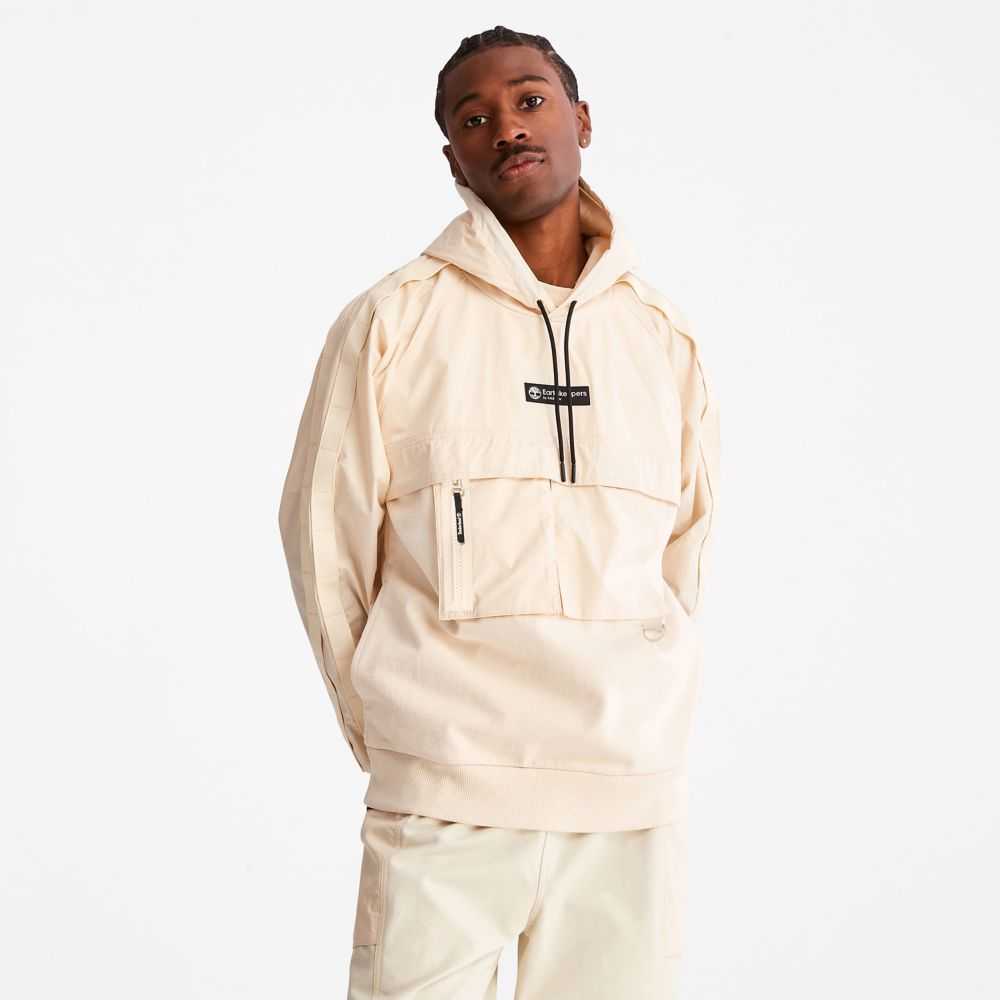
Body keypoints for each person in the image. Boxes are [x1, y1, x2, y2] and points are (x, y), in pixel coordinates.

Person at [277, 24, 720, 1000]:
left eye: (528, 100)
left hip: (627, 798)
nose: (506, 128)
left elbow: (683, 553)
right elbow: (323, 541)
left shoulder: (660, 335)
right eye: (473, 119)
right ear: (453, 159)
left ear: (581, 120)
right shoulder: (394, 321)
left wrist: (650, 706)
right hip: (444, 793)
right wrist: (398, 732)